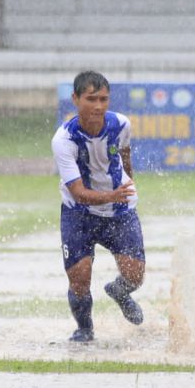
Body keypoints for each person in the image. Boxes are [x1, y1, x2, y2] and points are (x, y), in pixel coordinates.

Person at [52, 71, 146, 343]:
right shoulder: (64, 139)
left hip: (120, 211)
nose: (98, 106)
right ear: (75, 99)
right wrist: (111, 194)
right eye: (91, 99)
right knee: (80, 276)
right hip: (78, 213)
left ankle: (119, 291)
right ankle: (84, 329)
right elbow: (79, 193)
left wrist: (127, 184)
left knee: (135, 276)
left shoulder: (121, 124)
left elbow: (125, 153)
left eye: (103, 99)